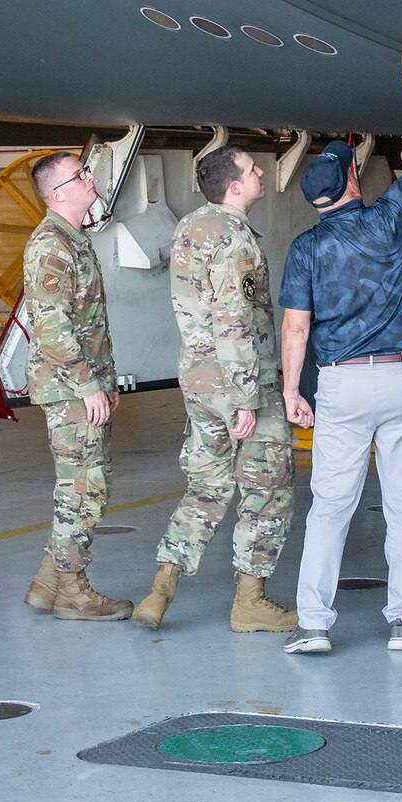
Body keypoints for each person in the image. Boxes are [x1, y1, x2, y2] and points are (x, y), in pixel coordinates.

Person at [277, 55, 402, 654]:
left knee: (329, 509)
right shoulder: (392, 218)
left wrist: (293, 392)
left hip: (341, 385)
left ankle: (316, 626)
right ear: (350, 184)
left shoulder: (305, 250)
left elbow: (296, 329)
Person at [132, 145, 297, 634]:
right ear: (234, 186)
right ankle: (250, 602)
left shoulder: (191, 227)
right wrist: (247, 398)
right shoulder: (236, 240)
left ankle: (160, 591)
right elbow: (234, 320)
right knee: (267, 488)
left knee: (206, 486)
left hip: (200, 381)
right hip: (240, 382)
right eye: (252, 170)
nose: (261, 172)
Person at [18, 151, 133, 622]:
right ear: (58, 192)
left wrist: (104, 381)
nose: (90, 178)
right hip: (70, 391)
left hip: (80, 385)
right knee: (84, 491)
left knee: (82, 486)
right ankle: (73, 591)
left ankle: (48, 585)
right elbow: (51, 328)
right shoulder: (51, 245)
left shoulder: (73, 238)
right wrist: (88, 386)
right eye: (81, 174)